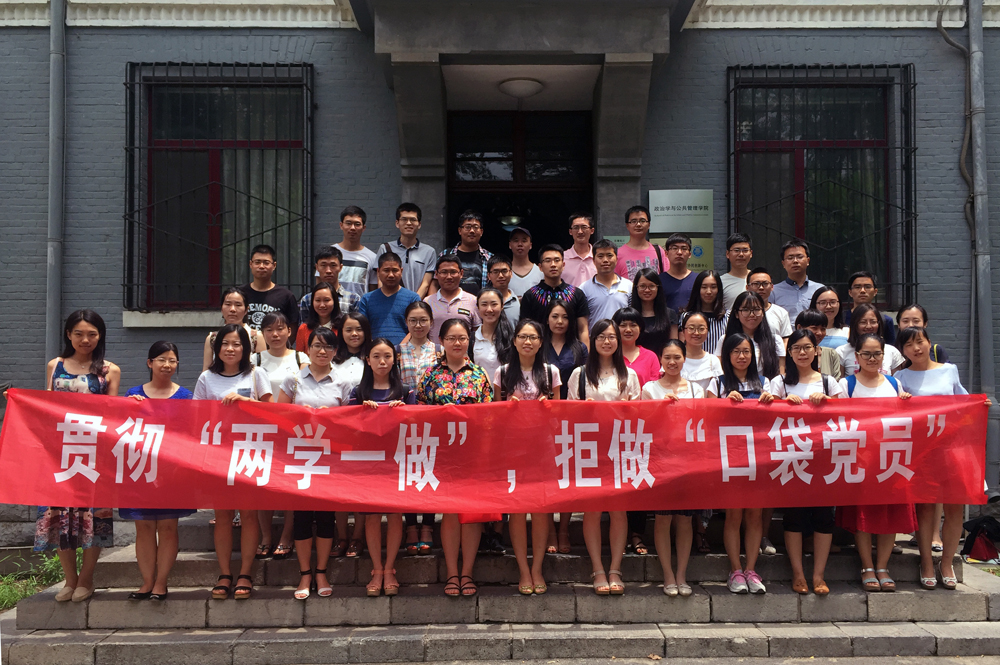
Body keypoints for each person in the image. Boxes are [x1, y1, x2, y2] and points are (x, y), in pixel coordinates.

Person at [895, 326, 989, 590]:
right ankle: (926, 562)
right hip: (921, 450)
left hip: (952, 447)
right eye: (909, 344)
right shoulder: (900, 377)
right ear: (903, 351)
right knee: (925, 507)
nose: (916, 348)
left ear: (929, 342)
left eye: (920, 341)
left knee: (954, 507)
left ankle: (947, 563)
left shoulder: (949, 370)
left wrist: (980, 405)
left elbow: (963, 401)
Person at [38, 310, 120, 603]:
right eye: (79, 334)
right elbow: (45, 406)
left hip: (94, 452)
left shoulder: (109, 370)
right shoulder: (55, 365)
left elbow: (113, 412)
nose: (85, 340)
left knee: (93, 516)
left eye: (92, 334)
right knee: (61, 515)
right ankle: (69, 580)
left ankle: (86, 579)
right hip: (60, 452)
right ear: (68, 335)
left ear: (100, 336)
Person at [417, 318, 494, 597]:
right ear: (442, 341)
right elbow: (419, 413)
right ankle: (452, 573)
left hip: (472, 452)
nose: (457, 343)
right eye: (451, 338)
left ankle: (467, 572)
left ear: (469, 341)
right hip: (441, 453)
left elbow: (489, 416)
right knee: (449, 512)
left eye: (462, 338)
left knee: (470, 513)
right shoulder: (430, 375)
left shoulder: (479, 374)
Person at [194, 323, 272, 600]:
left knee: (249, 514)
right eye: (225, 343)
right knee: (223, 516)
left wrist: (245, 402)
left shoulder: (257, 373)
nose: (230, 349)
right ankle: (225, 573)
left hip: (250, 453)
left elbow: (273, 412)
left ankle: (246, 573)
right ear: (217, 348)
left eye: (237, 344)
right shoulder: (206, 378)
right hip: (218, 454)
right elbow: (197, 416)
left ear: (246, 348)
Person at [835, 333, 915, 592]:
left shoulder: (894, 383)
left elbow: (908, 420)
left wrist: (907, 404)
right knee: (864, 514)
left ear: (884, 356)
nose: (872, 358)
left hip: (891, 459)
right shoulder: (845, 384)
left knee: (889, 513)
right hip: (861, 460)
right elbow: (838, 421)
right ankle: (867, 566)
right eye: (866, 354)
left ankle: (883, 566)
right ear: (857, 357)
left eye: (877, 354)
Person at [767, 329, 845, 595]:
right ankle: (798, 574)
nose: (802, 352)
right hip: (791, 459)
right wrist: (781, 403)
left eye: (807, 347)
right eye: (797, 348)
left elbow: (846, 416)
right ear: (789, 353)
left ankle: (819, 575)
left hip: (823, 459)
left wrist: (827, 402)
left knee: (824, 516)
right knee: (794, 516)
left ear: (816, 351)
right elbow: (766, 416)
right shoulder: (779, 382)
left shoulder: (828, 382)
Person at [277, 327, 351, 600]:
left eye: (328, 346)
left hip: (329, 460)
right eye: (317, 345)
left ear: (335, 351)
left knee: (326, 517)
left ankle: (321, 571)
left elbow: (351, 424)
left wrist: (331, 418)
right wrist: (301, 414)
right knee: (302, 517)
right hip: (300, 459)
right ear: (307, 349)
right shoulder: (293, 380)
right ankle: (304, 573)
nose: (322, 351)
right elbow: (279, 418)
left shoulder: (343, 383)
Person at [567, 319, 641, 595]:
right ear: (593, 340)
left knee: (618, 509)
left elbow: (641, 415)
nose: (607, 341)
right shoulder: (579, 374)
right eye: (601, 337)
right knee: (593, 510)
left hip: (620, 448)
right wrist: (582, 410)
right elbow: (568, 414)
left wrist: (628, 409)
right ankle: (598, 568)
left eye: (612, 337)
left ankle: (615, 568)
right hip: (590, 449)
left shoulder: (629, 375)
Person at [121, 341, 195, 601]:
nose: (167, 365)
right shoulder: (133, 394)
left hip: (171, 472)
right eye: (161, 359)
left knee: (167, 527)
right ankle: (146, 582)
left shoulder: (186, 397)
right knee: (143, 527)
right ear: (150, 363)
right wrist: (128, 407)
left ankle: (161, 582)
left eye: (172, 360)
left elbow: (191, 434)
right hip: (140, 469)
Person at [494, 319, 562, 595]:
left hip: (543, 450)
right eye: (523, 336)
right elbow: (494, 415)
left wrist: (548, 408)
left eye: (533, 337)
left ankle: (537, 568)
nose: (528, 342)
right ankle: (523, 569)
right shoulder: (502, 373)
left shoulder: (551, 372)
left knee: (541, 509)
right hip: (512, 450)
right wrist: (507, 409)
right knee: (518, 509)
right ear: (514, 341)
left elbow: (560, 417)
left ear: (541, 342)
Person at [707, 333, 775, 594]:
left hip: (760, 456)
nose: (742, 356)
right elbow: (707, 417)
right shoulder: (718, 383)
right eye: (736, 351)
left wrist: (771, 403)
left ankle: (752, 569)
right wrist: (723, 403)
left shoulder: (765, 383)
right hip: (730, 456)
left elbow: (777, 419)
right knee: (734, 514)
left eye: (746, 351)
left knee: (755, 515)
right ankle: (735, 570)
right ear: (727, 355)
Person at [349, 340, 417, 596]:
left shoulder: (406, 391)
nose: (382, 361)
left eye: (387, 356)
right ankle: (376, 569)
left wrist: (405, 412)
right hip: (369, 462)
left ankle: (390, 569)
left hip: (397, 461)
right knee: (372, 517)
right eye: (376, 356)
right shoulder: (358, 392)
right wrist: (361, 412)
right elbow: (346, 425)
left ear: (395, 359)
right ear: (367, 360)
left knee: (396, 515)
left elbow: (418, 425)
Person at [641, 339, 702, 597]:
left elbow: (702, 422)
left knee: (685, 519)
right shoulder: (649, 389)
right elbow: (643, 424)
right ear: (660, 360)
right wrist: (660, 408)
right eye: (667, 357)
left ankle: (681, 575)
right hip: (660, 460)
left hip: (688, 461)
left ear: (684, 359)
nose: (672, 362)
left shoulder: (696, 389)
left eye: (677, 357)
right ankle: (667, 574)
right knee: (663, 518)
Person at [252, 312, 308, 561]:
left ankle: (287, 536)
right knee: (262, 484)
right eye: (269, 330)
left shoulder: (300, 358)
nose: (275, 334)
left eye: (280, 329)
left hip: (291, 431)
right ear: (263, 334)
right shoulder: (254, 359)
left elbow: (306, 390)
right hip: (261, 430)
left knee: (288, 485)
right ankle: (265, 536)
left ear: (289, 331)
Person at [542, 298, 588, 553]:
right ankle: (549, 530)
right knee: (548, 476)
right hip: (544, 419)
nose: (560, 322)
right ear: (547, 320)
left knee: (568, 476)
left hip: (573, 419)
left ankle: (563, 529)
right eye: (555, 316)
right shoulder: (539, 345)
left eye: (565, 317)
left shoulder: (580, 348)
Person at [397, 301, 441, 555]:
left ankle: (428, 525)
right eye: (413, 320)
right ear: (406, 322)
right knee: (409, 471)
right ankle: (411, 525)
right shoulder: (397, 351)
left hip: (433, 420)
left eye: (423, 320)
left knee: (429, 470)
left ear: (431, 322)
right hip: (405, 420)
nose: (418, 325)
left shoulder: (439, 351)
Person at [329, 313, 371, 557]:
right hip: (338, 431)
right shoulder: (333, 360)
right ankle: (342, 536)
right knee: (339, 486)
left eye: (359, 329)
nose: (354, 334)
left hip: (366, 432)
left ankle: (358, 537)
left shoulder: (373, 356)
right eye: (348, 330)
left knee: (362, 485)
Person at [520, 244, 591, 345]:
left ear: (563, 265)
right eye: (548, 261)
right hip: (540, 350)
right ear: (540, 267)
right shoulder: (530, 295)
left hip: (571, 350)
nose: (553, 264)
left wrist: (585, 353)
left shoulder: (577, 294)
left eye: (557, 260)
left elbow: (582, 330)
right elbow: (525, 329)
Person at [715, 291, 785, 379]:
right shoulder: (725, 340)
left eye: (756, 309)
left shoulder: (775, 340)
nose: (752, 314)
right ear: (736, 314)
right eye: (745, 310)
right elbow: (719, 371)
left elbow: (780, 376)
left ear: (763, 312)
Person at [358, 252, 421, 346]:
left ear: (401, 271)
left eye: (395, 270)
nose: (391, 275)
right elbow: (363, 329)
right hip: (375, 351)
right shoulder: (367, 299)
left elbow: (417, 328)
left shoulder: (413, 298)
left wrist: (400, 349)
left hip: (407, 351)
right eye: (386, 270)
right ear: (378, 272)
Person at [374, 203, 436, 297]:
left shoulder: (429, 252)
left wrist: (413, 302)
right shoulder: (385, 248)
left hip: (416, 302)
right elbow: (380, 281)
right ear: (397, 223)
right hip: (390, 301)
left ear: (419, 224)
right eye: (404, 219)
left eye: (413, 220)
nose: (409, 223)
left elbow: (426, 284)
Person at [240, 244, 299, 331]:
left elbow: (292, 329)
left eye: (266, 263)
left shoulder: (286, 296)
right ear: (250, 264)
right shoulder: (240, 293)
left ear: (274, 265)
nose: (261, 266)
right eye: (257, 262)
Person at [203, 287, 265, 371]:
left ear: (246, 310)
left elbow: (262, 369)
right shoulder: (212, 338)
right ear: (221, 308)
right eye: (228, 304)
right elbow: (206, 370)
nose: (232, 309)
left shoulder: (256, 337)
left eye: (238, 305)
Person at [836, 303, 905, 376]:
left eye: (873, 322)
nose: (868, 326)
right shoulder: (842, 352)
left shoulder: (892, 351)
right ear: (855, 324)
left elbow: (897, 380)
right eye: (863, 322)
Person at [425, 255, 481, 344]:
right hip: (434, 352)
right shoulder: (428, 302)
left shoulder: (473, 301)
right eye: (444, 272)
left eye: (453, 272)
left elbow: (477, 333)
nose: (449, 277)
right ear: (436, 274)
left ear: (461, 273)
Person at [437, 210, 493, 296]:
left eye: (475, 227)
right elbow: (435, 283)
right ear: (460, 230)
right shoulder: (445, 254)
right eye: (468, 227)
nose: (472, 231)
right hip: (449, 302)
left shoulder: (489, 258)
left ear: (481, 232)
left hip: (480, 303)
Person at [299, 245, 360, 321]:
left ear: (340, 267)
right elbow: (304, 326)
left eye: (333, 265)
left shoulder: (353, 299)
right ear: (317, 267)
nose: (328, 271)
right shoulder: (307, 300)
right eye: (323, 265)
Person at [769, 239, 825, 320]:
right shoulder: (773, 291)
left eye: (800, 257)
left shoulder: (820, 289)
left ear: (808, 261)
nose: (795, 261)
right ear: (783, 263)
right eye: (790, 258)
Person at [582, 239, 633, 328]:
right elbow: (582, 324)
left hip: (621, 336)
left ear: (616, 259)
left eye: (609, 255)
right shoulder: (584, 289)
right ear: (593, 260)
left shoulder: (629, 286)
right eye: (600, 256)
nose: (605, 260)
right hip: (595, 336)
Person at [631, 268, 679, 358]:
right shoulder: (630, 315)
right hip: (636, 362)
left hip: (662, 363)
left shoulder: (669, 314)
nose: (647, 290)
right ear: (636, 288)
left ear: (658, 288)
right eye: (642, 286)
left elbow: (673, 345)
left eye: (651, 286)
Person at [334, 205, 378, 302]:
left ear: (363, 228)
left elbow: (372, 292)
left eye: (357, 224)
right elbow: (320, 285)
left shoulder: (372, 257)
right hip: (332, 308)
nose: (352, 228)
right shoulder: (330, 253)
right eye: (348, 223)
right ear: (341, 225)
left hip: (360, 309)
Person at [472, 288, 514, 381]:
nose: (489, 309)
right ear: (478, 307)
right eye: (484, 304)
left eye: (494, 304)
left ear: (502, 306)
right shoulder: (472, 339)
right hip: (480, 389)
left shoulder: (512, 338)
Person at [612, 307, 661, 386]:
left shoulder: (650, 356)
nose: (628, 330)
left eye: (633, 325)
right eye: (623, 325)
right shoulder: (609, 355)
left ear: (640, 328)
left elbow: (656, 387)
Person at [844, 271, 896, 344]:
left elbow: (890, 347)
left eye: (867, 287)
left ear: (875, 291)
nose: (862, 291)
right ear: (850, 292)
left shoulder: (885, 320)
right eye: (857, 287)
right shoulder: (841, 319)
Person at [684, 270, 730, 352]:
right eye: (704, 287)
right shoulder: (686, 316)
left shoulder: (727, 317)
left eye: (713, 287)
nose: (709, 291)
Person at [678, 311, 723, 394]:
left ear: (707, 331)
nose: (696, 333)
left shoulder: (713, 361)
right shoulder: (675, 359)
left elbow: (719, 391)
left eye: (701, 329)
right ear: (683, 331)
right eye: (691, 328)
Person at [615, 205, 664, 281]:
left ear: (649, 224)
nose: (638, 224)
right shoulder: (618, 254)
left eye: (642, 221)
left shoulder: (658, 251)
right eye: (634, 221)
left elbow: (665, 278)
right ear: (627, 225)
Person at [794, 309, 844, 380]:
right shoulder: (789, 353)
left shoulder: (831, 354)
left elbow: (836, 381)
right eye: (814, 328)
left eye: (823, 329)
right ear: (799, 328)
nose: (819, 333)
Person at [746, 267, 793, 340]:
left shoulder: (781, 313)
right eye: (756, 284)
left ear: (772, 287)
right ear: (747, 287)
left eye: (765, 284)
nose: (761, 288)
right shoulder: (740, 312)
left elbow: (786, 340)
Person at [295, 281, 341, 353]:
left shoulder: (342, 328)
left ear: (334, 301)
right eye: (318, 300)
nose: (322, 305)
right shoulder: (303, 329)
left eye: (326, 300)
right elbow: (299, 356)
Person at [660, 233, 697, 311]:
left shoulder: (697, 279)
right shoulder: (658, 280)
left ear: (690, 254)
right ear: (666, 253)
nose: (679, 252)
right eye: (674, 248)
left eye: (684, 248)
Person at [720, 233, 753, 311]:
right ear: (727, 254)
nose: (741, 254)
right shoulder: (721, 281)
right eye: (736, 250)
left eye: (745, 250)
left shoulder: (758, 279)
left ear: (751, 253)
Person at [563, 211, 597, 287]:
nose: (580, 231)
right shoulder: (562, 258)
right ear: (570, 231)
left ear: (592, 230)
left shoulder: (599, 257)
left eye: (584, 227)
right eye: (576, 227)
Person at [486, 255, 521, 326]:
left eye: (504, 271)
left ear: (511, 273)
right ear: (489, 276)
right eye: (496, 272)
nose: (501, 276)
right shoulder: (482, 301)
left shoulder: (519, 302)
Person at [508, 227, 542, 298]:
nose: (520, 244)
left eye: (524, 241)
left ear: (530, 245)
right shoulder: (504, 273)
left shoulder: (540, 272)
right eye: (516, 240)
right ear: (510, 245)